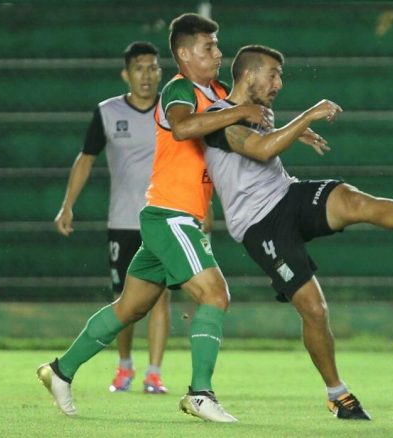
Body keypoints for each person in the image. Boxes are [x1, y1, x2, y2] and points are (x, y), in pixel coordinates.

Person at [38, 13, 271, 422]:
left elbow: (239, 130)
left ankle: (60, 371)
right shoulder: (178, 89)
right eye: (208, 47)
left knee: (128, 308)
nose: (218, 53)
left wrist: (284, 132)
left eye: (217, 46)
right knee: (215, 295)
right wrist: (239, 113)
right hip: (171, 214)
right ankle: (200, 393)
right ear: (183, 53)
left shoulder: (216, 91)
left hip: (176, 216)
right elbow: (183, 129)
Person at [202, 45, 393, 420]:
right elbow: (257, 149)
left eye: (280, 76)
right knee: (314, 309)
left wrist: (292, 131)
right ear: (248, 75)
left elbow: (266, 140)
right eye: (272, 74)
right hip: (260, 225)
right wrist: (308, 117)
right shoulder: (219, 118)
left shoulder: (258, 113)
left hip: (287, 195)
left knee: (350, 199)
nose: (278, 83)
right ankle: (338, 395)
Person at [53, 41, 171, 395]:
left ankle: (154, 374)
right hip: (122, 220)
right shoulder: (108, 111)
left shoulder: (172, 110)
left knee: (162, 297)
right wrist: (67, 204)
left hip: (163, 217)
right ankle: (124, 368)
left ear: (159, 72)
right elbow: (86, 157)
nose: (146, 75)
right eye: (139, 68)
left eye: (152, 68)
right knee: (125, 300)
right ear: (126, 74)